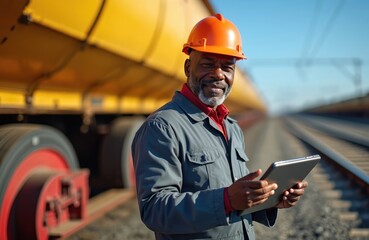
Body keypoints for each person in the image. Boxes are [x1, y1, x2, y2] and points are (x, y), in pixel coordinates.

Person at [131, 13, 308, 240]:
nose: (218, 75)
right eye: (207, 64)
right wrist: (225, 200)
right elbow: (154, 210)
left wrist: (272, 199)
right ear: (187, 68)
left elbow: (237, 200)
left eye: (227, 67)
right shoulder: (162, 127)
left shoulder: (231, 128)